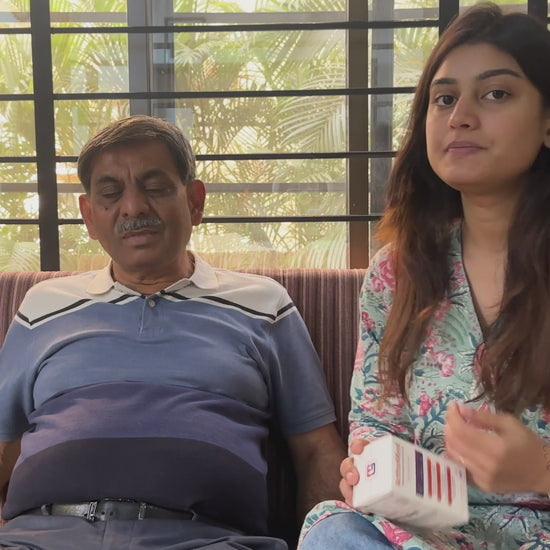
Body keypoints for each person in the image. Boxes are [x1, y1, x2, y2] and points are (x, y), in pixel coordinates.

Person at [0, 115, 346, 550]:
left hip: (207, 540)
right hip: (39, 538)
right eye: (111, 193)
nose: (133, 208)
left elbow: (315, 450)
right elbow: (4, 446)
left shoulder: (264, 304)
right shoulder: (42, 306)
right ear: (89, 215)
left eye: (155, 187)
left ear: (195, 201)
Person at [298, 3, 550, 549]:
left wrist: (541, 470)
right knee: (334, 529)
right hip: (429, 536)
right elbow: (377, 420)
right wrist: (369, 466)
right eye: (444, 98)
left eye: (496, 93)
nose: (461, 116)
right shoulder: (397, 272)